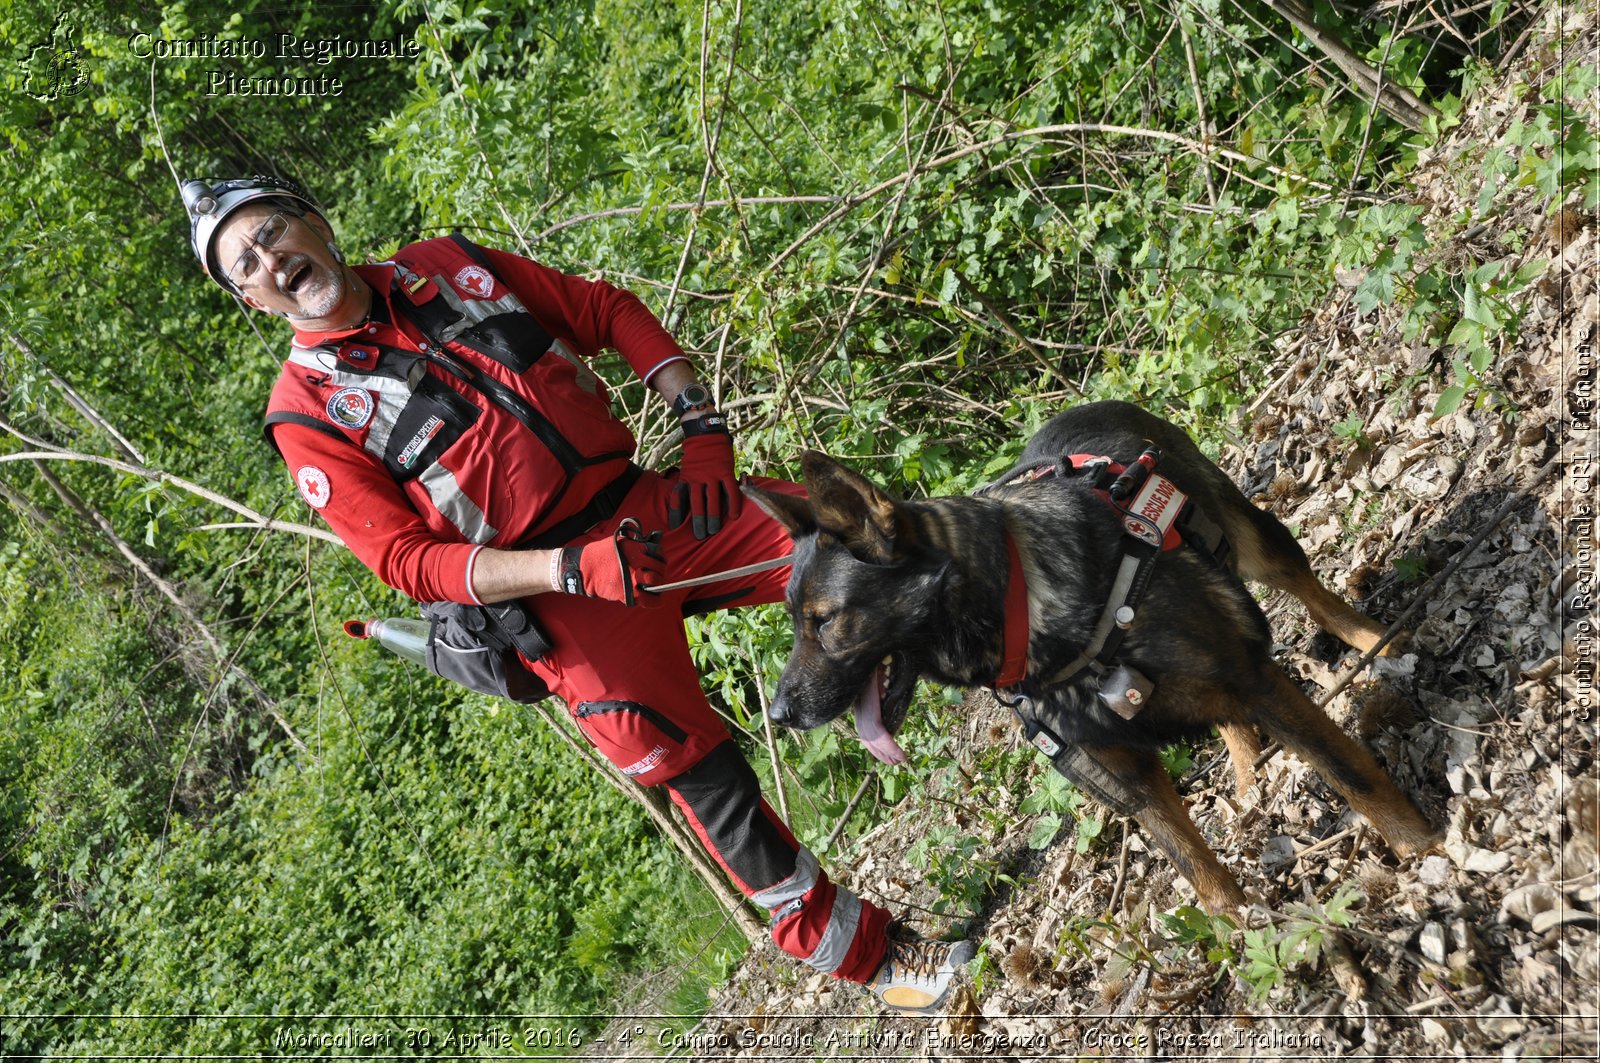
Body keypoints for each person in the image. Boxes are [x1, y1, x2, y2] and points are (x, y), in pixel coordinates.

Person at [181, 175, 973, 1013]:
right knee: (698, 767)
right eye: (248, 263)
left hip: (657, 508)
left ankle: (1054, 681)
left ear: (316, 219)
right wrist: (564, 569)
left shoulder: (446, 265)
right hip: (561, 598)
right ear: (253, 300)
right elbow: (412, 563)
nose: (272, 258)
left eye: (273, 230)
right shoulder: (305, 413)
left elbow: (606, 311)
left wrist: (702, 427)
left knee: (861, 542)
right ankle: (882, 964)